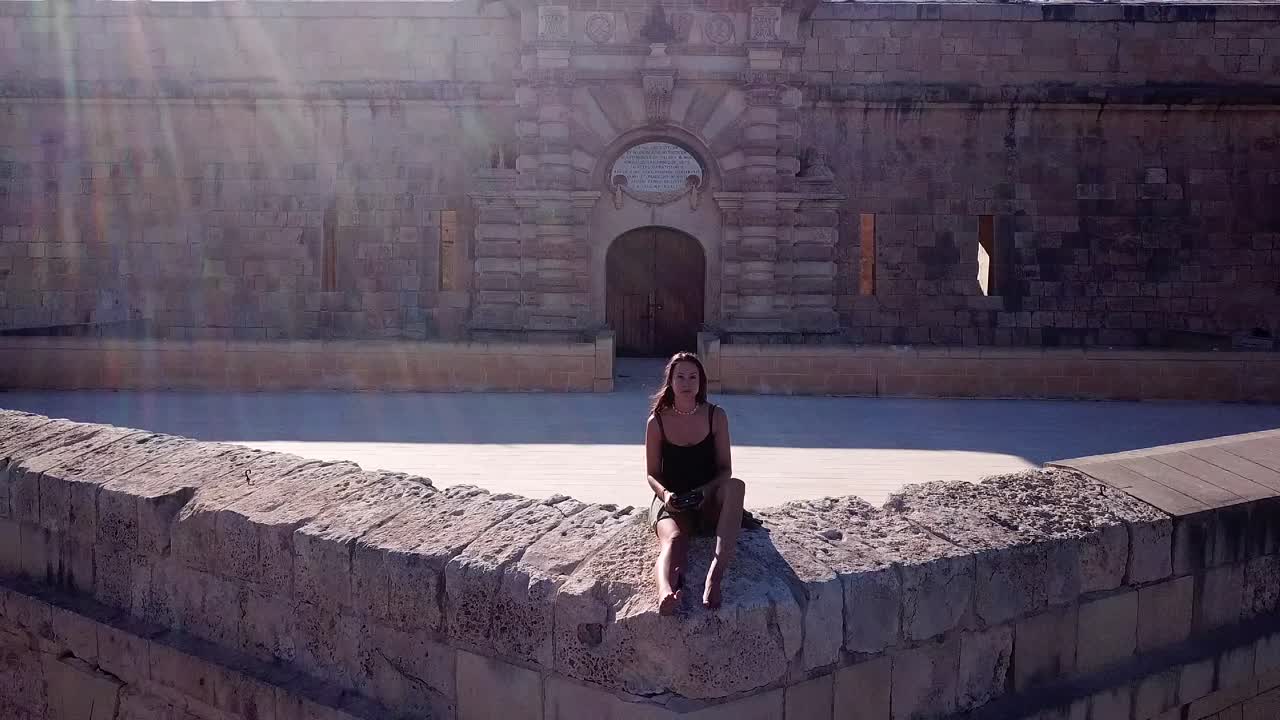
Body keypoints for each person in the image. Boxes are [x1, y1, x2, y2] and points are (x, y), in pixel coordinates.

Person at [645, 351, 746, 614]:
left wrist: (705, 491)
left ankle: (715, 575)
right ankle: (665, 592)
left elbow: (725, 470)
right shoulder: (657, 422)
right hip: (673, 499)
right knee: (674, 540)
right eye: (680, 376)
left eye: (693, 376)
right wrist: (665, 495)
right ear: (671, 381)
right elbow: (652, 473)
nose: (687, 382)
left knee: (736, 485)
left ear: (701, 381)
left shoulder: (716, 415)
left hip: (708, 496)